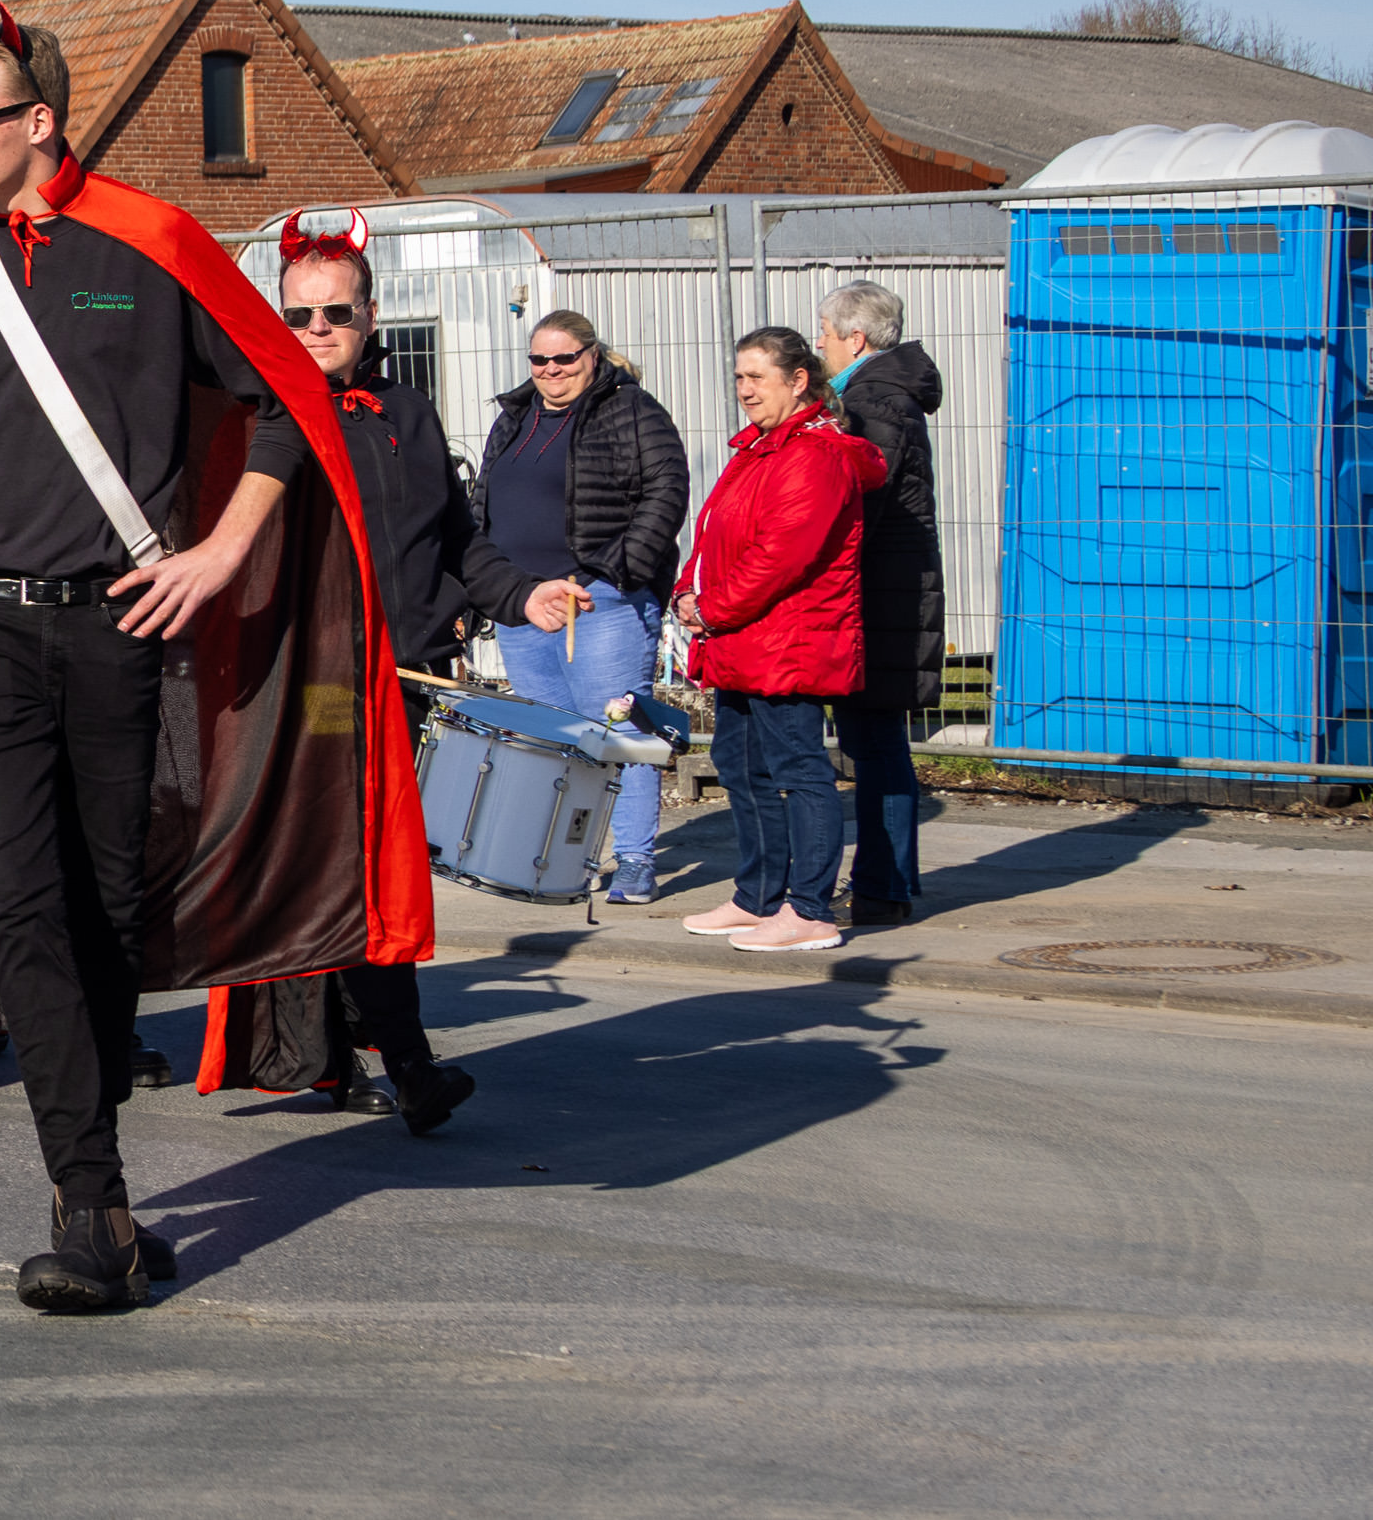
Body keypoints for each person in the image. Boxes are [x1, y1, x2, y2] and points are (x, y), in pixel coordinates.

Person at [0, 17, 422, 1314]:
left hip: (114, 624)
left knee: (101, 910)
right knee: (21, 902)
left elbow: (284, 400)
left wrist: (218, 554)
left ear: (38, 121)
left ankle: (107, 1198)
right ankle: (86, 1200)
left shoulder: (151, 241)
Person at [196, 225, 493, 1132]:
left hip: (404, 675)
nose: (317, 328)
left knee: (364, 870)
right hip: (313, 682)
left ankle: (339, 1057)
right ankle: (405, 1067)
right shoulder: (257, 417)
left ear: (369, 317)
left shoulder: (407, 412)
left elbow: (456, 541)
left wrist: (525, 594)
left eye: (335, 313)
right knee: (351, 868)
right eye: (298, 315)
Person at [675, 328, 880, 955]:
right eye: (739, 377)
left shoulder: (814, 454)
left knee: (797, 769)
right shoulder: (759, 448)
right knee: (741, 765)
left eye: (756, 377)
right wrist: (688, 591)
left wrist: (712, 608)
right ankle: (758, 895)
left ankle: (810, 908)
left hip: (788, 639)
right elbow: (715, 533)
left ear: (797, 380)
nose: (744, 390)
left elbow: (781, 556)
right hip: (743, 636)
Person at [475, 309, 690, 904]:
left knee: (620, 731)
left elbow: (666, 491)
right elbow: (482, 500)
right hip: (525, 604)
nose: (551, 370)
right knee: (554, 740)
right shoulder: (514, 416)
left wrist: (614, 572)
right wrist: (491, 584)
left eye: (564, 358)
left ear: (591, 355)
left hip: (599, 602)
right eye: (539, 359)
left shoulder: (631, 410)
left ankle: (635, 860)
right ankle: (563, 859)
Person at [817, 282, 941, 925]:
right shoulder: (881, 395)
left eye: (825, 334)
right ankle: (885, 882)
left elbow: (858, 502)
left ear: (855, 338)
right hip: (887, 591)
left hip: (878, 597)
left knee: (875, 744)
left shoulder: (873, 402)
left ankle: (882, 888)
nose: (820, 345)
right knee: (876, 742)